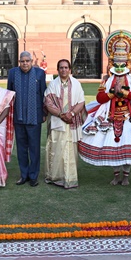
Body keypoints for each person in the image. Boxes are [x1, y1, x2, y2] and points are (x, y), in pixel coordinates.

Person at [78, 30, 131, 185]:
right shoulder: (107, 81)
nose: (120, 67)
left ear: (128, 63)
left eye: (122, 64)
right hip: (110, 115)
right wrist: (111, 93)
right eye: (117, 64)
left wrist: (123, 92)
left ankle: (126, 177)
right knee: (114, 146)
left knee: (126, 148)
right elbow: (100, 98)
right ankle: (116, 175)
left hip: (129, 116)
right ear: (112, 63)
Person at [7, 51, 47, 187]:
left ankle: (33, 176)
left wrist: (44, 113)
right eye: (22, 61)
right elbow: (9, 94)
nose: (25, 63)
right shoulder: (13, 73)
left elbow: (43, 94)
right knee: (22, 148)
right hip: (18, 117)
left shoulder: (39, 73)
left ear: (31, 61)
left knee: (34, 148)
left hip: (34, 117)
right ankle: (23, 175)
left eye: (27, 61)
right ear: (19, 62)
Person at [43, 59, 85, 189]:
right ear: (58, 70)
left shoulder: (77, 84)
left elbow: (81, 102)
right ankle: (55, 176)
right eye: (61, 68)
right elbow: (48, 102)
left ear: (70, 69)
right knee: (56, 149)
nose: (64, 70)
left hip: (72, 121)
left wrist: (71, 114)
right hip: (57, 121)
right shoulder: (52, 85)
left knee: (70, 150)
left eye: (66, 67)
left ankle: (70, 177)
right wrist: (61, 115)